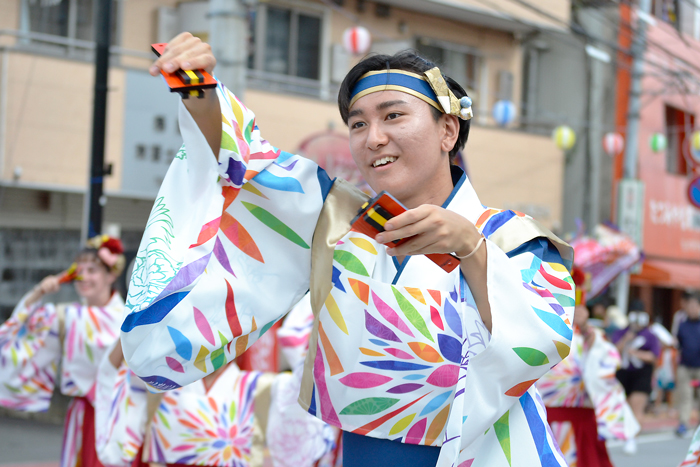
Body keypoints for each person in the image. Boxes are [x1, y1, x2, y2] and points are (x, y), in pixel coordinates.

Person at [120, 33, 575, 467]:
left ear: (448, 131)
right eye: (358, 123)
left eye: (393, 116)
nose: (372, 137)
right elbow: (251, 167)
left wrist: (472, 250)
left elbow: (543, 340)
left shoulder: (509, 238)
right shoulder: (338, 223)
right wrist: (196, 86)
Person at [95, 295, 336, 467]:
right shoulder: (156, 388)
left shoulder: (263, 390)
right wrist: (139, 323)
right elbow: (114, 452)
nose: (211, 340)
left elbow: (302, 354)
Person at [0, 235, 126, 467]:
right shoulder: (65, 316)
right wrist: (39, 291)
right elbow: (15, 334)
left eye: (92, 270)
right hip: (83, 413)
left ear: (112, 274)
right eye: (79, 271)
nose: (84, 277)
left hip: (120, 415)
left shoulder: (128, 319)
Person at [539, 269, 639, 467]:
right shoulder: (541, 327)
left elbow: (608, 364)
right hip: (546, 413)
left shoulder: (591, 336)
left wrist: (586, 334)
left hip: (581, 416)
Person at [612, 299, 661, 454]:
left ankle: (632, 438)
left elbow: (654, 356)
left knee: (636, 405)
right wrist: (626, 339)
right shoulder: (621, 332)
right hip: (623, 371)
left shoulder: (650, 335)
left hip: (642, 373)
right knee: (622, 405)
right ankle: (624, 433)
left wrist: (637, 353)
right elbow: (612, 352)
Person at [676, 291, 700, 437]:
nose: (691, 309)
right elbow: (679, 343)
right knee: (685, 396)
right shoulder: (683, 324)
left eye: (694, 306)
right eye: (689, 306)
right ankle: (683, 423)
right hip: (685, 365)